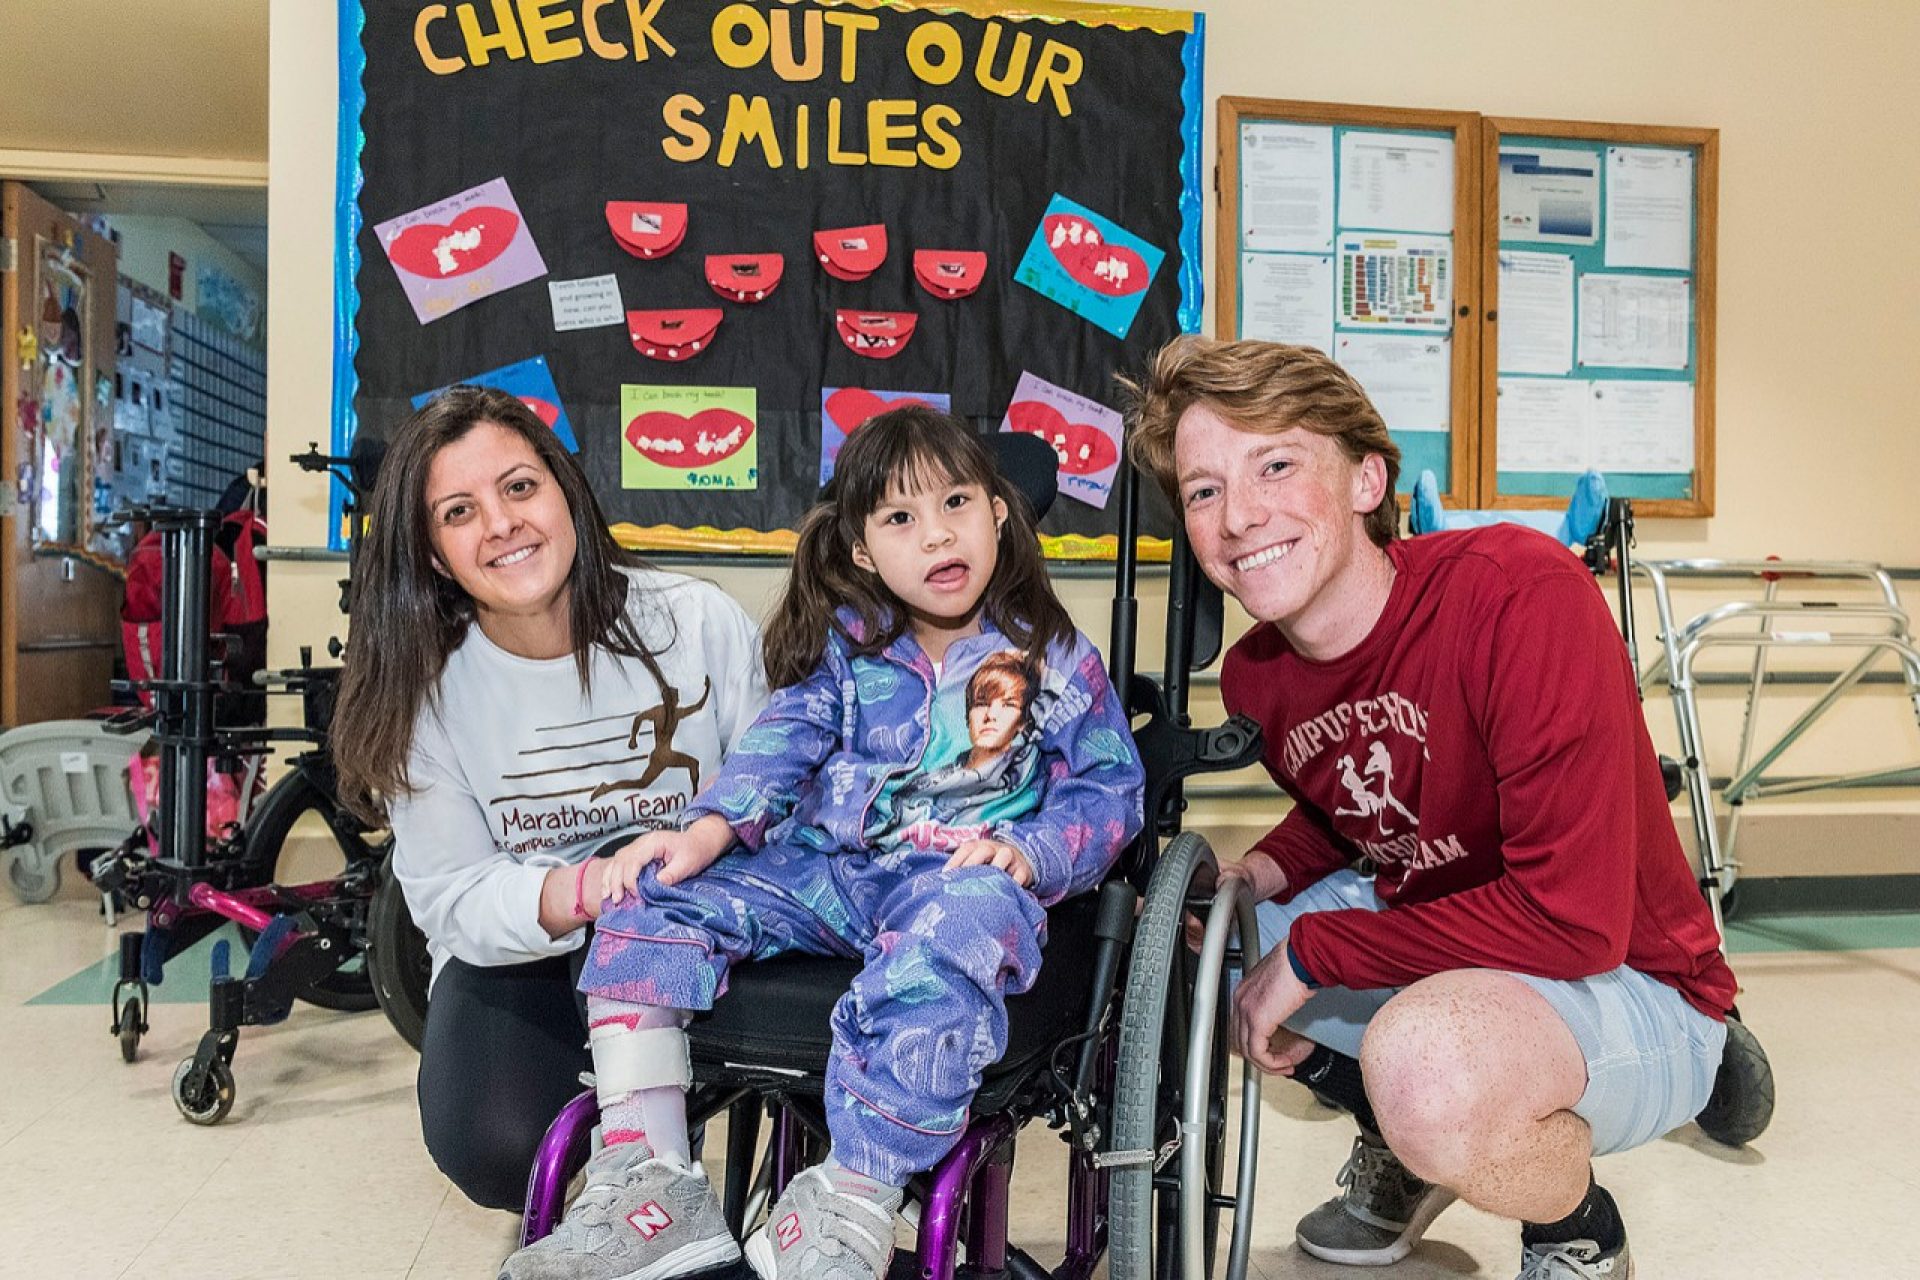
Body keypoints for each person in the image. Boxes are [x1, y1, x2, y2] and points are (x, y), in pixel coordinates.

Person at [1122, 337, 1741, 1280]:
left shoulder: (1521, 597)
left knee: (1427, 1065)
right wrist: (1267, 872)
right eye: (1205, 491)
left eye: (1276, 464)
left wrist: (1322, 952)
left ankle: (1573, 1224)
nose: (1241, 516)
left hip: (1631, 973)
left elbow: (1570, 922)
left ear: (1366, 479)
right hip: (1452, 934)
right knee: (1201, 935)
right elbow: (1362, 800)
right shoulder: (1259, 677)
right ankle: (1404, 1148)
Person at [498, 406, 1145, 1280]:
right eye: (901, 520)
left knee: (965, 922)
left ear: (999, 511)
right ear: (866, 553)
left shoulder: (1056, 659)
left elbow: (1110, 791)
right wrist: (709, 828)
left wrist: (1033, 852)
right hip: (829, 873)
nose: (937, 535)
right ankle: (651, 1181)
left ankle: (851, 1196)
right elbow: (783, 737)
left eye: (957, 502)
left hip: (954, 879)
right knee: (646, 895)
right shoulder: (852, 648)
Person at [329, 386, 768, 1212]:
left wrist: (685, 873)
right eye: (459, 511)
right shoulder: (425, 691)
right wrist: (587, 888)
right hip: (532, 945)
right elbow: (452, 899)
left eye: (520, 487)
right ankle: (623, 1188)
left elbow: (771, 794)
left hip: (706, 925)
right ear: (431, 552)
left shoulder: (698, 624)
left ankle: (674, 1179)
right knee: (499, 1146)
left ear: (565, 492)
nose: (501, 524)